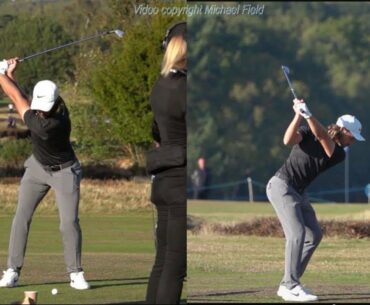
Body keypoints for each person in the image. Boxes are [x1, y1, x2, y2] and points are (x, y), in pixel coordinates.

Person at [0, 58, 90, 290]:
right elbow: (23, 98)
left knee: (68, 222)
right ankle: (12, 270)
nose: (41, 108)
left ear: (53, 103)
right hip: (37, 168)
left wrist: (0, 75)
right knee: (21, 217)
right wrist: (9, 74)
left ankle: (75, 273)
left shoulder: (50, 125)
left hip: (65, 172)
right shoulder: (54, 105)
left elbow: (17, 99)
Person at [266, 98, 365, 302]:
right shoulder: (308, 131)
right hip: (282, 186)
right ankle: (290, 286)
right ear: (344, 130)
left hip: (299, 192)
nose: (353, 141)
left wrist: (309, 114)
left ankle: (289, 282)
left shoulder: (339, 153)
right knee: (297, 234)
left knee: (314, 235)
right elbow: (287, 140)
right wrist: (298, 114)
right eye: (352, 136)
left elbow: (323, 138)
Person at [145, 22, 186, 304]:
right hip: (181, 181)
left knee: (162, 262)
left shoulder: (161, 85)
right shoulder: (184, 88)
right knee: (175, 265)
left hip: (163, 179)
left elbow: (156, 132)